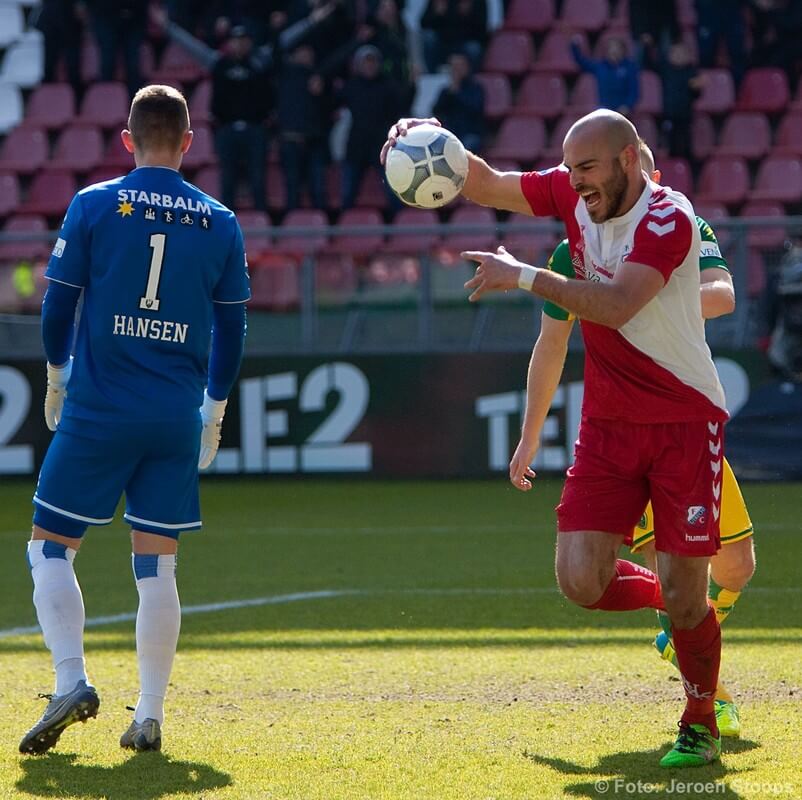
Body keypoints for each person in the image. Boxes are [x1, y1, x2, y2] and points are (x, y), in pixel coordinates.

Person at [382, 109, 728, 767]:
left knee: (689, 591)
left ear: (628, 160)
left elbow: (617, 304)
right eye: (569, 170)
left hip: (684, 422)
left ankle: (700, 719)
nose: (575, 183)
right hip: (608, 423)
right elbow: (486, 184)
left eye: (588, 169)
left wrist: (524, 276)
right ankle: (679, 604)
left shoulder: (669, 219)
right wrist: (435, 144)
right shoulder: (575, 194)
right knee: (580, 580)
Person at [19, 85, 250, 755]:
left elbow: (56, 307)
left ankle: (70, 680)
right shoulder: (220, 220)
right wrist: (214, 408)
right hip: (174, 413)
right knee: (157, 568)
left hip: (99, 406)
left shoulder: (94, 204)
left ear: (127, 140)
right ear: (187, 143)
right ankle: (148, 714)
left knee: (49, 547)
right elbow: (232, 330)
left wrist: (57, 373)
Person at [509, 139, 754, 740]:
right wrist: (528, 437)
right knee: (674, 579)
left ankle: (685, 632)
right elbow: (551, 347)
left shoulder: (680, 223)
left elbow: (722, 293)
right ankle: (708, 702)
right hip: (626, 428)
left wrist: (654, 296)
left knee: (739, 568)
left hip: (685, 418)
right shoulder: (575, 251)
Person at [210, 26, 272, 212]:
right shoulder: (220, 65)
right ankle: (227, 229)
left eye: (244, 39)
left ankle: (263, 225)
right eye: (236, 40)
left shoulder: (259, 65)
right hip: (227, 129)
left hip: (255, 129)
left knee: (258, 180)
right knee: (227, 181)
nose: (240, 44)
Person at [571, 35, 639, 117]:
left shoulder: (630, 68)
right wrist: (574, 46)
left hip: (624, 112)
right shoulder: (600, 66)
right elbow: (582, 62)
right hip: (604, 111)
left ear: (623, 51)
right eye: (611, 48)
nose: (613, 51)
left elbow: (634, 91)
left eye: (617, 48)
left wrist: (628, 106)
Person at [432, 52, 485, 154]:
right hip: (450, 133)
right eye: (453, 67)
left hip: (470, 133)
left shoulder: (476, 88)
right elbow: (436, 110)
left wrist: (457, 93)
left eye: (460, 66)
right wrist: (450, 93)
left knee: (466, 145)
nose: (456, 70)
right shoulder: (446, 91)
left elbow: (475, 109)